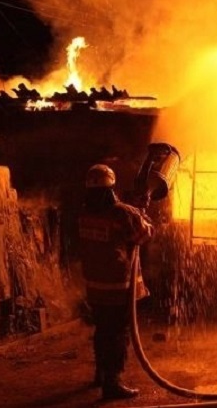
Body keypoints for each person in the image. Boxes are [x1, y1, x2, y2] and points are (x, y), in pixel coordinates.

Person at [77, 164, 154, 400]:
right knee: (118, 334)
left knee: (102, 331)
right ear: (111, 187)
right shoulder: (122, 213)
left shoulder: (84, 213)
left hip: (94, 287)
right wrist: (141, 213)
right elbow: (143, 234)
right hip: (118, 288)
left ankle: (101, 374)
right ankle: (112, 383)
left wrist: (134, 209)